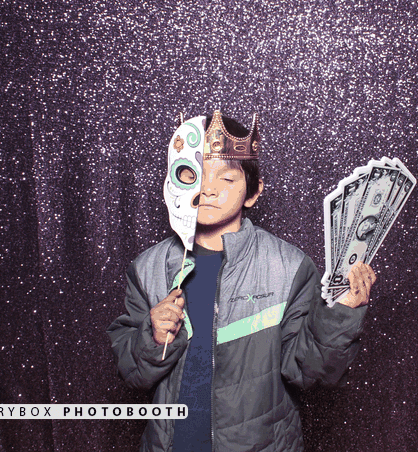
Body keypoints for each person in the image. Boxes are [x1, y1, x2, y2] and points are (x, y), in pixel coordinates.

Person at [108, 111, 376, 452]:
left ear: (252, 192)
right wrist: (152, 336)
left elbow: (309, 372)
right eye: (194, 174)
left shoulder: (289, 268)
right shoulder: (148, 268)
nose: (208, 188)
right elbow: (131, 373)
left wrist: (341, 316)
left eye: (226, 178)